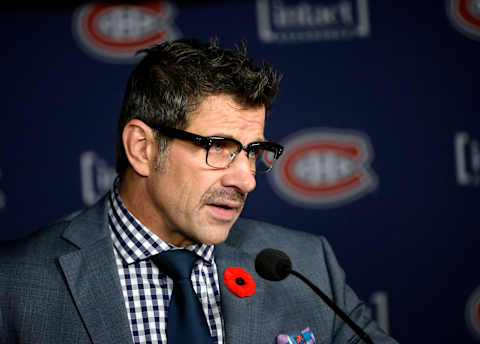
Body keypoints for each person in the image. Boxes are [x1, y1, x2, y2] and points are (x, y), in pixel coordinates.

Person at [0, 38, 398, 344]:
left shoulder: (307, 265)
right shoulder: (14, 284)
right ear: (143, 148)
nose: (246, 179)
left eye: (254, 152)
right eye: (219, 147)